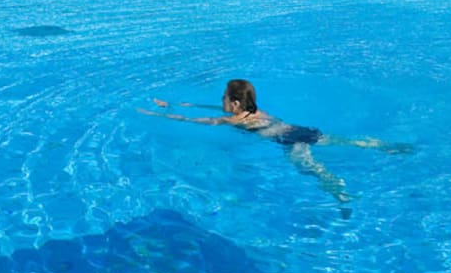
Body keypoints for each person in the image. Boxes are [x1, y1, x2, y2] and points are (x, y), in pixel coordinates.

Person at [142, 78, 408, 205]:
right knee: (345, 141)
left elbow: (193, 121)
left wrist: (156, 114)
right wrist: (174, 103)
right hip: (298, 129)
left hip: (286, 139)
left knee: (310, 168)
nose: (220, 101)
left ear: (234, 104)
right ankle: (383, 146)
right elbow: (206, 107)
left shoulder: (232, 120)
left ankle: (338, 189)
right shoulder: (255, 111)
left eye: (224, 98)